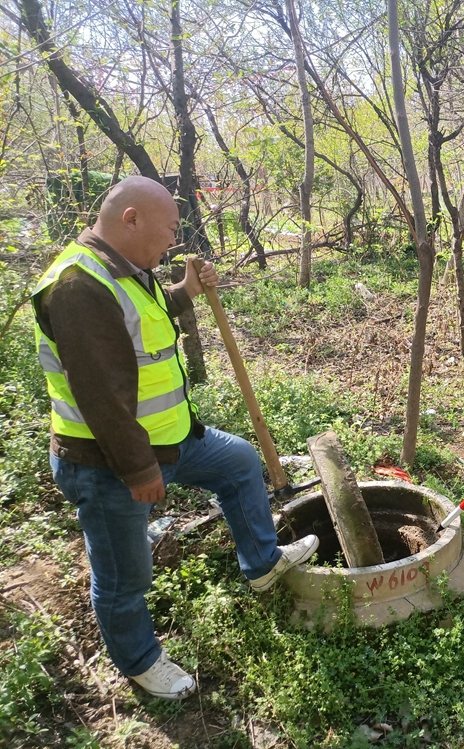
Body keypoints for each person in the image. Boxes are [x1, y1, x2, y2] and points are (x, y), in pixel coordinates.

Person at [31, 176, 319, 699]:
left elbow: (144, 319)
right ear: (131, 218)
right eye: (167, 230)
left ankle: (261, 563)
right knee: (124, 573)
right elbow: (102, 397)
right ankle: (140, 660)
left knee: (237, 463)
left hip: (173, 439)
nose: (171, 241)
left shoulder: (124, 271)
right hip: (109, 461)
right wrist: (138, 471)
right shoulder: (78, 286)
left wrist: (186, 290)